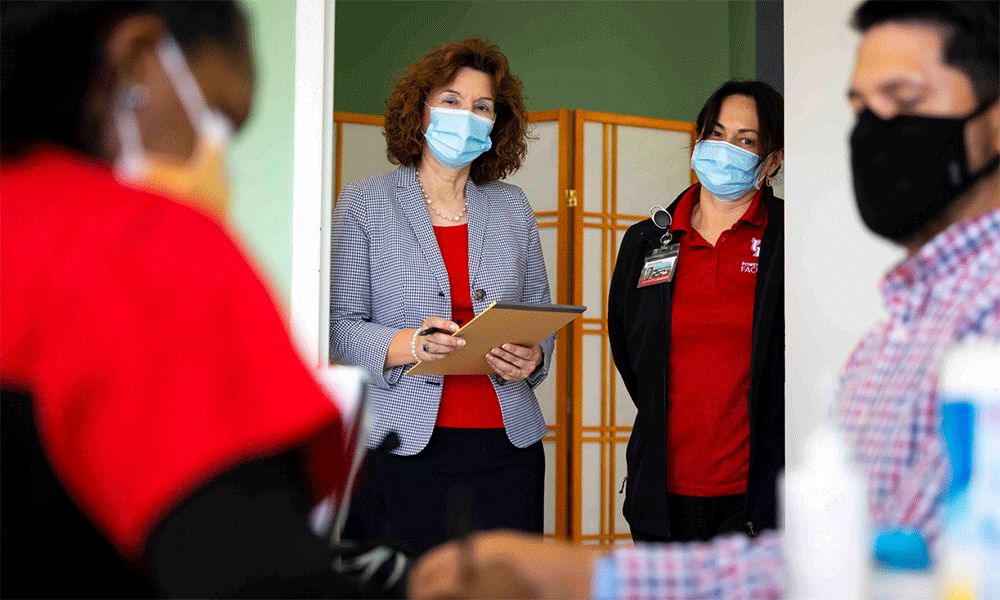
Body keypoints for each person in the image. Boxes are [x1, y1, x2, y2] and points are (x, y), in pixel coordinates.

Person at [407, 1, 999, 598]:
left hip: (751, 481)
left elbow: (929, 554)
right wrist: (593, 575)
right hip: (665, 480)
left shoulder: (826, 255)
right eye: (861, 108)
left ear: (772, 160)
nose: (877, 130)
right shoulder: (898, 327)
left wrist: (590, 577)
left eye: (903, 96)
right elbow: (630, 348)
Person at [1, 2, 405, 597]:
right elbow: (253, 578)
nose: (214, 159)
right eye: (215, 119)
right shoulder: (137, 253)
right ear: (138, 59)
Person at [330, 36, 553, 557]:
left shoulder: (512, 207)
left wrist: (534, 357)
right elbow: (338, 324)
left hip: (508, 446)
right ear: (421, 109)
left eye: (483, 107)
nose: (467, 116)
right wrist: (411, 344)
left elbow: (538, 317)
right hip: (401, 448)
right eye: (451, 101)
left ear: (498, 124)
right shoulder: (365, 203)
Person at [607, 80, 785, 543]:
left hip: (755, 494)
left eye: (746, 140)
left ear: (774, 159)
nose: (727, 149)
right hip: (662, 491)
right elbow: (629, 349)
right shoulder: (647, 241)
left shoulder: (790, 236)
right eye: (717, 133)